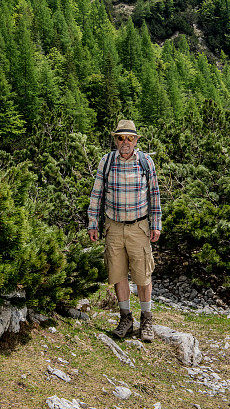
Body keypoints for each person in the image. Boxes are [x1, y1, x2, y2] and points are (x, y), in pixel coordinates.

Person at [88, 119, 162, 342]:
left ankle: (146, 319)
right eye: (121, 138)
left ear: (136, 140)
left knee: (142, 275)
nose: (125, 142)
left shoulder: (145, 162)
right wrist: (93, 223)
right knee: (118, 274)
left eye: (130, 138)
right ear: (115, 140)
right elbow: (96, 194)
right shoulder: (107, 161)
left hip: (139, 226)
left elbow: (154, 195)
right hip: (113, 226)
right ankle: (126, 318)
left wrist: (156, 224)